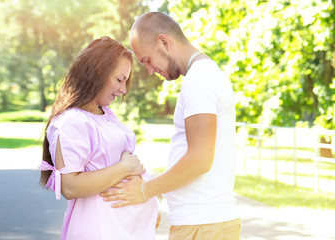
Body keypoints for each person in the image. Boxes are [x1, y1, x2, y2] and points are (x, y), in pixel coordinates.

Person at [101, 12, 241, 240]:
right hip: (204, 223)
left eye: (146, 60)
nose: (149, 70)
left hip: (203, 226)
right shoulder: (204, 75)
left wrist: (145, 192)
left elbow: (199, 160)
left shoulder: (199, 81)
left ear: (164, 42)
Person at [39, 36, 159, 240]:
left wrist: (148, 195)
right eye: (120, 80)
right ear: (97, 72)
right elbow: (70, 186)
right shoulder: (72, 121)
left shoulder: (104, 114)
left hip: (124, 229)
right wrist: (126, 168)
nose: (123, 90)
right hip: (101, 230)